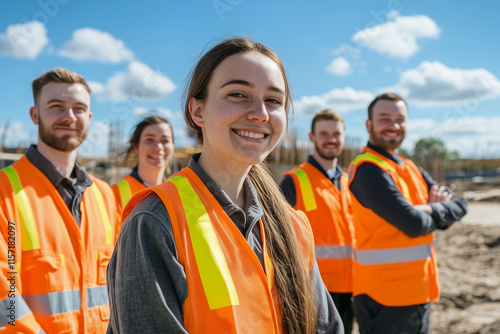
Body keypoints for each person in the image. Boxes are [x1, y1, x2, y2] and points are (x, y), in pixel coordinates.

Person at [106, 38, 343, 334]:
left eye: (273, 100)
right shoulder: (155, 221)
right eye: (237, 94)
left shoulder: (293, 227)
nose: (260, 113)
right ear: (197, 111)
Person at [0, 68, 120, 333]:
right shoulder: (4, 192)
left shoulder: (104, 195)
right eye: (56, 106)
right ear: (35, 115)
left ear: (89, 118)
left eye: (78, 108)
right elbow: (5, 305)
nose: (69, 117)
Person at [347, 92, 468, 334]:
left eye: (400, 119)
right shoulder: (368, 170)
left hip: (418, 291)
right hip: (384, 298)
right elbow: (413, 225)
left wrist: (428, 209)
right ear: (369, 125)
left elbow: (461, 205)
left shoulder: (411, 168)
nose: (393, 125)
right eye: (384, 118)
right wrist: (438, 213)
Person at [280, 109, 355, 333]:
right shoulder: (294, 181)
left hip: (353, 286)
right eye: (324, 134)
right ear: (312, 138)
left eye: (336, 134)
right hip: (315, 291)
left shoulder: (350, 181)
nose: (331, 139)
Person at [112, 116, 174, 213]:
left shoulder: (178, 194)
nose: (158, 147)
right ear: (135, 147)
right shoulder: (114, 194)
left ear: (173, 146)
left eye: (165, 140)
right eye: (149, 139)